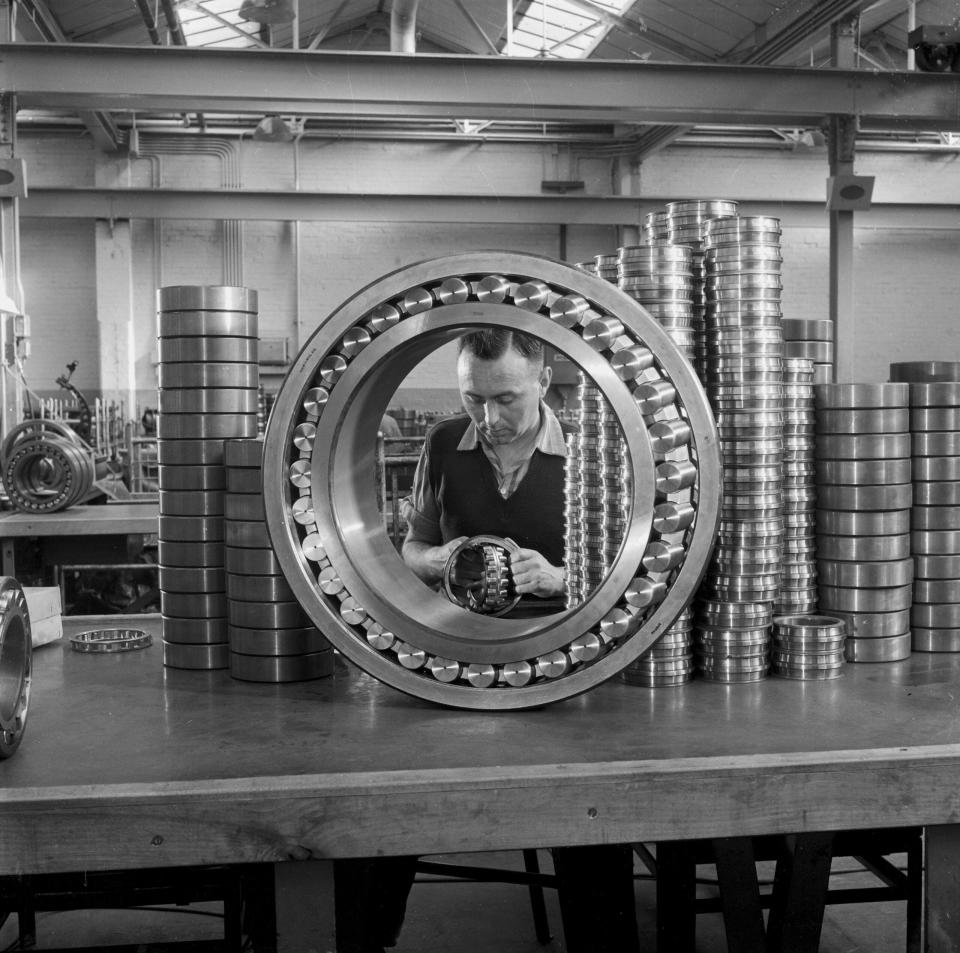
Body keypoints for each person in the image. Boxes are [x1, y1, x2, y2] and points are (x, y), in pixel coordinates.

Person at [334, 330, 640, 953]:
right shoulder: (446, 441)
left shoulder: (591, 446)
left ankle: (600, 936)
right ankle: (372, 932)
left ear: (545, 378)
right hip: (457, 647)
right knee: (393, 786)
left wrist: (560, 576)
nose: (489, 417)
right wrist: (436, 559)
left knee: (586, 801)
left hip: (566, 649)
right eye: (474, 398)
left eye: (506, 399)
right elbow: (412, 546)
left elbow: (628, 567)